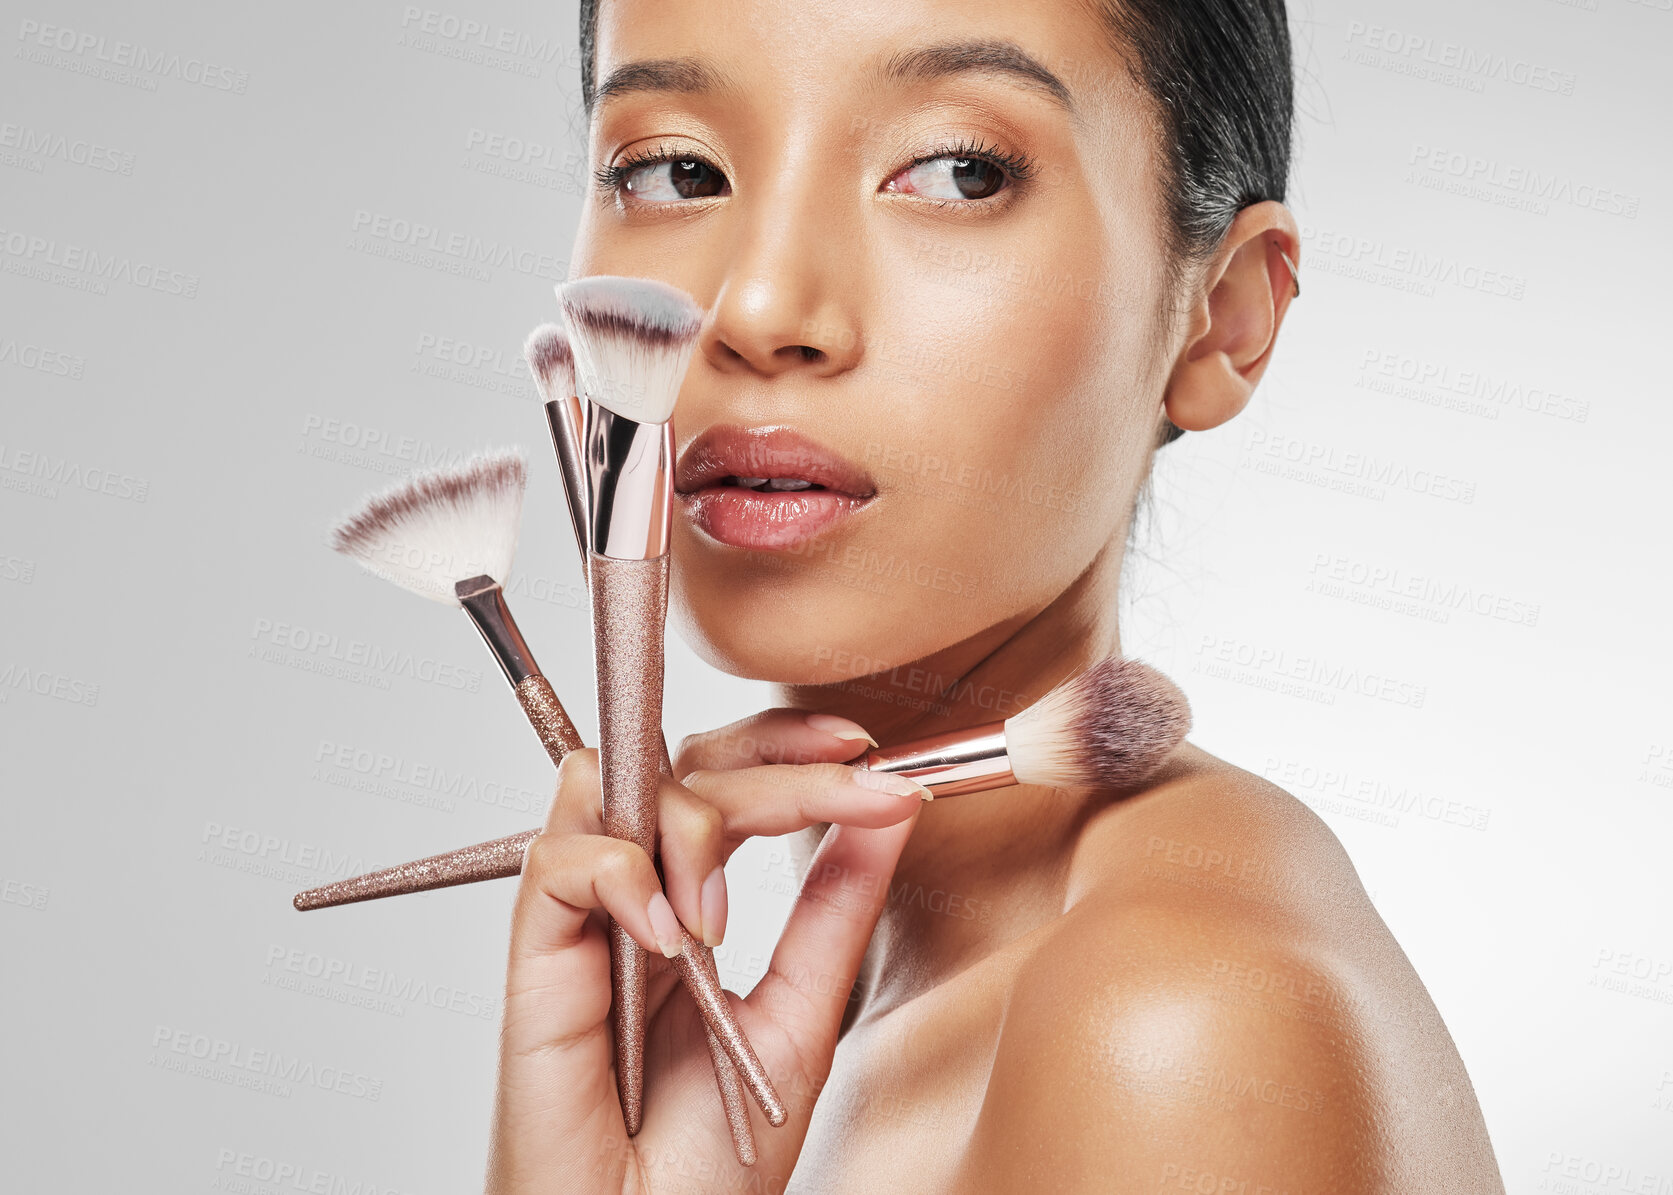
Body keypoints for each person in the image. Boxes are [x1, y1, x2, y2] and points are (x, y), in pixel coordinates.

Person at [486, 0, 1505, 1190]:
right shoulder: (825, 1012)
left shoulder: (1173, 1019)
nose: (757, 309)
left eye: (959, 172)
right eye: (672, 168)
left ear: (1220, 316)